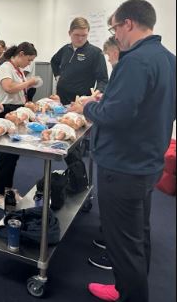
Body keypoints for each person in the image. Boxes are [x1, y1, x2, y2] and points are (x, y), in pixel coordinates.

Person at [69, 0, 175, 302]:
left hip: (123, 164)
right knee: (138, 235)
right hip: (148, 160)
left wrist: (90, 106)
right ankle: (126, 287)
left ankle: (130, 294)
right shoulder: (168, 58)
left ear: (128, 23)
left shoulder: (134, 60)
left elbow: (115, 115)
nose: (116, 35)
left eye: (116, 28)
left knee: (122, 242)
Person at [87, 35, 122, 271]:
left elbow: (114, 114)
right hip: (125, 155)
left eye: (109, 54)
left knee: (119, 206)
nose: (108, 59)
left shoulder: (129, 70)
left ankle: (116, 255)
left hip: (122, 156)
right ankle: (111, 240)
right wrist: (104, 98)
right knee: (113, 205)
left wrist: (88, 106)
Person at [0, 42, 39, 209]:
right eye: (29, 59)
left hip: (17, 110)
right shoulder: (6, 67)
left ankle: (7, 189)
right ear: (20, 54)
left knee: (13, 155)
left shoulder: (18, 69)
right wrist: (28, 83)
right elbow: (8, 88)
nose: (29, 63)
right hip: (7, 112)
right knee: (6, 156)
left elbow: (18, 91)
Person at [50, 17, 108, 105]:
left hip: (80, 101)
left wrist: (94, 95)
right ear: (70, 33)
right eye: (77, 35)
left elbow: (103, 80)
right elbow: (54, 61)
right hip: (61, 98)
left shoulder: (96, 53)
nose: (80, 39)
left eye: (84, 35)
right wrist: (58, 76)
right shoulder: (65, 49)